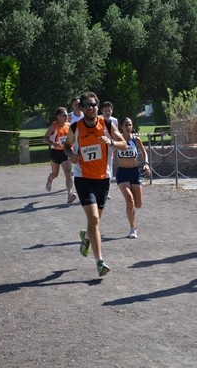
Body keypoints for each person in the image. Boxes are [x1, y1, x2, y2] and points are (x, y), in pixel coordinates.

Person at [63, 92, 129, 277]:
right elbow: (67, 146)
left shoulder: (107, 124)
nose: (90, 108)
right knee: (93, 219)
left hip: (103, 178)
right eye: (86, 105)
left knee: (95, 222)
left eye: (93, 104)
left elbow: (124, 143)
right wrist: (71, 155)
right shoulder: (75, 126)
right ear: (81, 108)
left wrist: (111, 142)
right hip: (83, 177)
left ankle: (86, 237)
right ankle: (100, 262)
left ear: (97, 107)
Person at [116, 117, 151, 239]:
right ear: (121, 127)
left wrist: (146, 163)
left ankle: (131, 215)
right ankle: (133, 228)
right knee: (129, 201)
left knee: (138, 204)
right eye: (125, 125)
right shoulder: (117, 139)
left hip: (135, 172)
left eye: (130, 125)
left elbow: (144, 152)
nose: (128, 127)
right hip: (122, 173)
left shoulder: (136, 140)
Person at [42, 107, 76, 203]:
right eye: (64, 115)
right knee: (55, 174)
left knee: (68, 173)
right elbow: (44, 138)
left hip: (66, 152)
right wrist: (53, 143)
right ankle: (50, 179)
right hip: (56, 152)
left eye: (67, 115)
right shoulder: (54, 126)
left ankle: (70, 194)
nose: (67, 117)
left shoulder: (68, 125)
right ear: (58, 116)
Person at [101, 101, 119, 199]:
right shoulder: (98, 119)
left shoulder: (114, 120)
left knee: (109, 169)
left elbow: (116, 135)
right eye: (105, 111)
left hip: (109, 147)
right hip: (99, 148)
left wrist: (115, 147)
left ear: (112, 110)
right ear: (102, 111)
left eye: (109, 110)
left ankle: (106, 191)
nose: (107, 112)